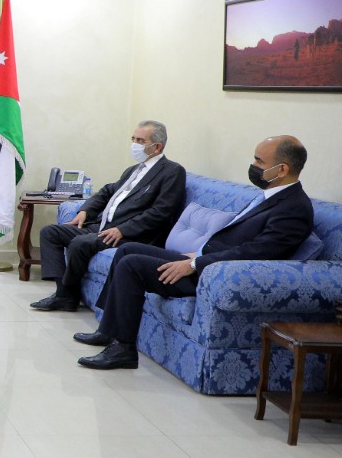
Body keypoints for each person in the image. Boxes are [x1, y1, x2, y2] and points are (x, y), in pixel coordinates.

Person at [74, 136, 313, 370]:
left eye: (259, 161)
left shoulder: (294, 208)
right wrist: (196, 254)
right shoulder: (270, 196)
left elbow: (257, 252)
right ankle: (108, 330)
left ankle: (123, 350)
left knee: (132, 265)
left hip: (214, 275)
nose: (253, 166)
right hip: (204, 261)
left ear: (282, 169)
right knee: (127, 249)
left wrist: (194, 264)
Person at [30, 120, 187, 312]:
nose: (134, 144)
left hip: (131, 234)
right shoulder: (134, 170)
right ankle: (63, 293)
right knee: (50, 233)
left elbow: (161, 211)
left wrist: (123, 229)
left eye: (140, 140)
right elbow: (107, 191)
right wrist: (84, 211)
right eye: (133, 139)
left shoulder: (172, 171)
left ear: (157, 147)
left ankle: (65, 297)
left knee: (81, 243)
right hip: (103, 226)